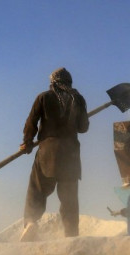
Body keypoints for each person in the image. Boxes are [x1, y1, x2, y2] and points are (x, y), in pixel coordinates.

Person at [18, 68, 89, 242]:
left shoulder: (44, 97)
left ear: (53, 83)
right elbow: (83, 128)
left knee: (37, 190)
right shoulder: (78, 100)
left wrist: (27, 142)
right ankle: (71, 235)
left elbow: (31, 122)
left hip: (49, 152)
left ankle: (31, 222)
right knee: (69, 199)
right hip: (71, 156)